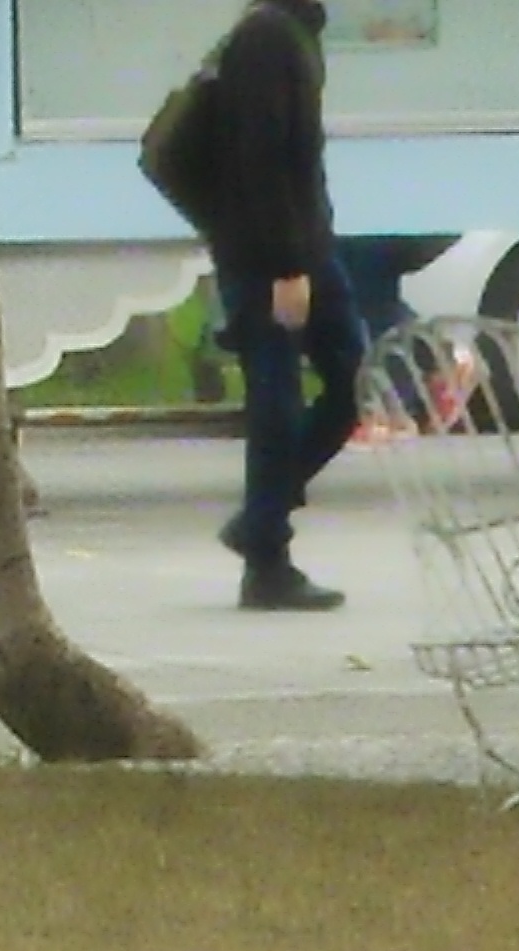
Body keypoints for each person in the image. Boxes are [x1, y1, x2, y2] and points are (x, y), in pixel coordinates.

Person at [198, 0, 362, 613]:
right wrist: (288, 266)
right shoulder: (267, 38)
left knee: (354, 383)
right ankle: (266, 560)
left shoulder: (293, 31)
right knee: (277, 400)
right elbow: (261, 161)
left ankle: (260, 522)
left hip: (305, 248)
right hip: (272, 256)